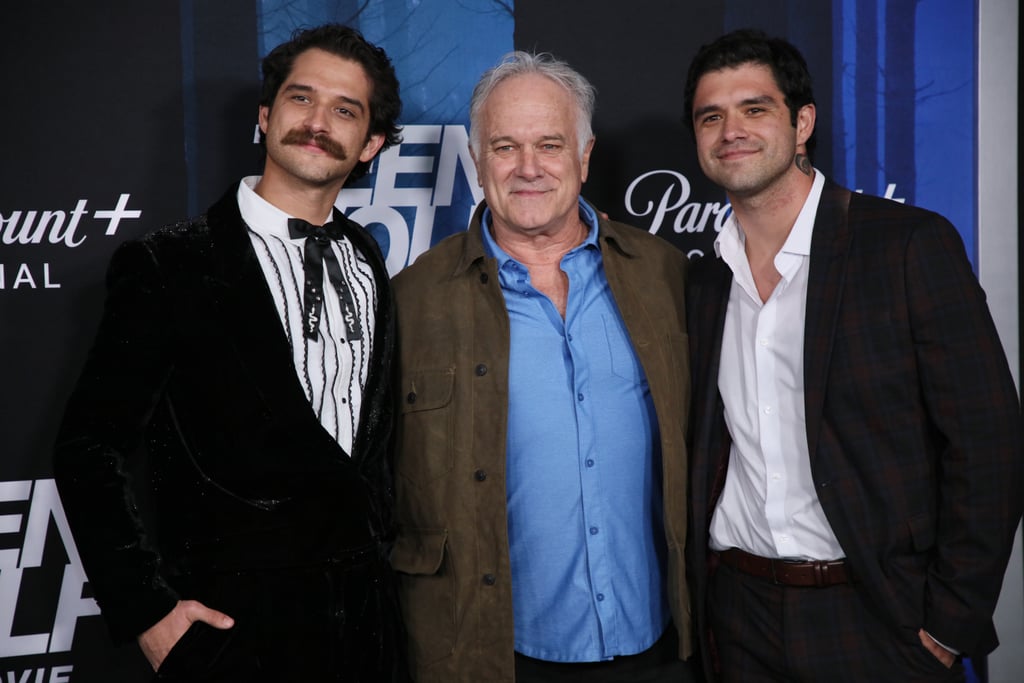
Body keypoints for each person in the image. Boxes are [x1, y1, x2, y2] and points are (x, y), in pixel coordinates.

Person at [53, 24, 406, 682]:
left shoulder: (368, 259)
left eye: (345, 110)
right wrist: (147, 611)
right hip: (233, 639)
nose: (318, 122)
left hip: (367, 635)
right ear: (267, 116)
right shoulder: (168, 265)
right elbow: (88, 447)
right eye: (302, 99)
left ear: (370, 144)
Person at [683, 28, 1023, 682]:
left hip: (877, 614)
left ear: (802, 121)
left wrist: (952, 617)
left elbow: (989, 444)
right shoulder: (701, 283)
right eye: (711, 116)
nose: (732, 129)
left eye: (755, 109)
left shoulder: (905, 246)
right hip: (738, 615)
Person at [389, 51, 698, 683]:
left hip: (658, 645)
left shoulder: (665, 274)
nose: (528, 168)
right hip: (495, 654)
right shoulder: (411, 300)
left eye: (550, 144)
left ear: (585, 157)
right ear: (477, 162)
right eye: (505, 147)